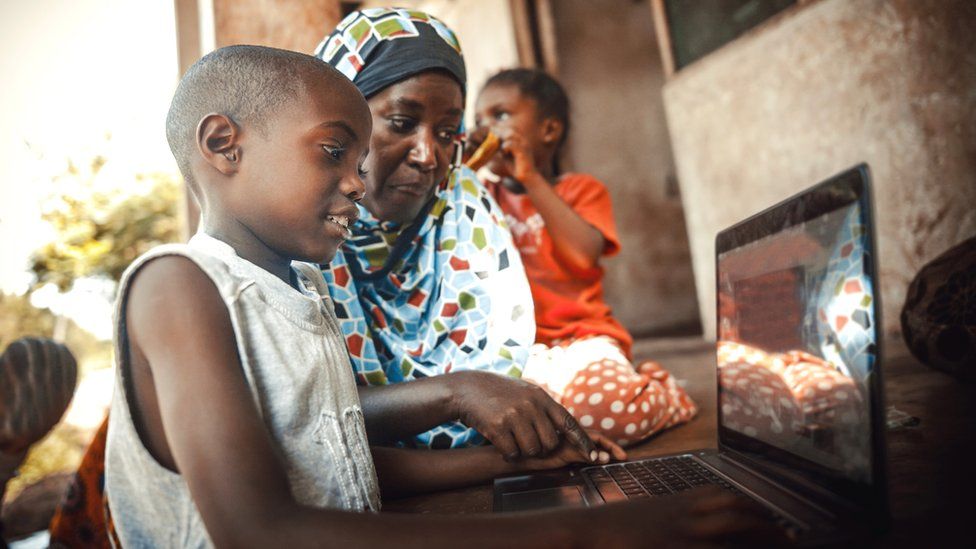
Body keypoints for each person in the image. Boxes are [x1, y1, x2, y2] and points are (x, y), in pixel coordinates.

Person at [87, 43, 777, 548]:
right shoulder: (177, 284)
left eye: (359, 161)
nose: (359, 181)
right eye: (334, 151)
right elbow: (262, 527)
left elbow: (333, 463)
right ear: (223, 145)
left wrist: (509, 461)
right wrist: (590, 531)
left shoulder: (294, 290)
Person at [314, 9, 545, 451]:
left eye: (446, 132)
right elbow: (309, 423)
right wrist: (461, 396)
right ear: (338, 121)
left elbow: (497, 374)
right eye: (402, 124)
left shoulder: (461, 205)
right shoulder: (299, 230)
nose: (428, 155)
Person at [472, 68, 698, 447]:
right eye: (478, 120)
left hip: (584, 339)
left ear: (548, 131)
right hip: (519, 350)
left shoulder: (581, 190)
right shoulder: (478, 197)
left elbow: (582, 257)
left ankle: (662, 389)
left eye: (501, 115)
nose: (486, 128)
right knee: (510, 426)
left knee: (607, 414)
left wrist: (530, 179)